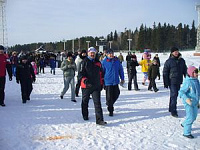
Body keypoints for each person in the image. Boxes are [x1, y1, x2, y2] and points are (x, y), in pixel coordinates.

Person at [79, 47, 107, 125]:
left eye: (93, 53)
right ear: (88, 53)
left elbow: (101, 74)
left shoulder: (98, 62)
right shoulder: (84, 62)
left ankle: (99, 120)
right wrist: (85, 80)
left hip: (96, 86)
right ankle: (85, 115)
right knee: (85, 101)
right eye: (91, 53)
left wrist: (102, 83)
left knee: (97, 103)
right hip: (86, 86)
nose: (92, 54)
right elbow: (81, 74)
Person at [163, 47, 187, 117]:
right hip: (172, 81)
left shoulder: (182, 60)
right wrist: (166, 82)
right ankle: (173, 110)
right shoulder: (169, 61)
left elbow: (185, 70)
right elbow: (165, 72)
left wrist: (188, 77)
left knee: (174, 95)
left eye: (177, 51)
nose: (176, 53)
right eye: (174, 52)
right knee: (174, 94)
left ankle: (171, 107)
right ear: (172, 53)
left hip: (179, 80)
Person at [178, 66, 200, 139]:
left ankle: (184, 124)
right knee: (190, 117)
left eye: (198, 72)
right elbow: (181, 92)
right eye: (196, 73)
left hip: (195, 102)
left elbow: (198, 92)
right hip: (189, 103)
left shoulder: (196, 80)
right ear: (191, 73)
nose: (197, 74)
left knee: (194, 117)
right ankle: (186, 133)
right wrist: (186, 99)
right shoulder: (188, 81)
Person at [102, 49, 125, 116]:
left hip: (115, 81)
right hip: (108, 82)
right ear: (106, 54)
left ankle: (109, 103)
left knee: (117, 93)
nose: (111, 55)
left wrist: (122, 78)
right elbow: (102, 72)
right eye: (109, 54)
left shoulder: (116, 61)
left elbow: (120, 70)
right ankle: (110, 110)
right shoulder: (104, 62)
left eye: (112, 53)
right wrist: (102, 81)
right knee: (109, 97)